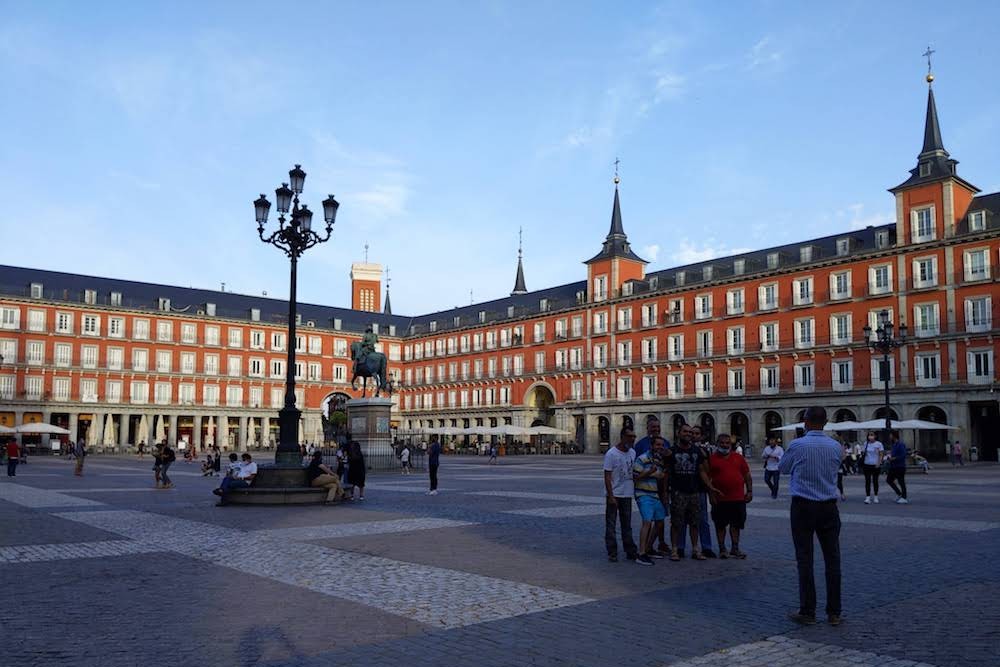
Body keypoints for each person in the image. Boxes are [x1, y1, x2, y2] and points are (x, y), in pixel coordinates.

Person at [779, 406, 842, 626]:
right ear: (825, 423)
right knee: (833, 559)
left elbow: (783, 468)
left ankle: (808, 611)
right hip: (829, 507)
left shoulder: (797, 445)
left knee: (805, 559)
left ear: (805, 421)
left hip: (803, 506)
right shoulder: (835, 446)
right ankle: (834, 612)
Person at [664, 424, 716, 561]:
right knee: (676, 522)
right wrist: (665, 492)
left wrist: (710, 487)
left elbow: (701, 471)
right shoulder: (671, 451)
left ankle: (695, 549)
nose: (688, 434)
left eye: (690, 432)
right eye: (685, 432)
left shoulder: (696, 451)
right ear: (678, 433)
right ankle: (675, 549)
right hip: (678, 492)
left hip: (694, 491)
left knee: (695, 522)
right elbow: (666, 473)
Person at [707, 433, 752, 558]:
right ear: (717, 444)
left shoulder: (738, 458)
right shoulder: (711, 459)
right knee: (720, 524)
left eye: (727, 443)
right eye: (722, 443)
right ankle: (722, 549)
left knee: (736, 524)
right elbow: (707, 478)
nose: (725, 445)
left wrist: (749, 491)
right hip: (720, 498)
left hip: (738, 497)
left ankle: (735, 548)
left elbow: (747, 475)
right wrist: (711, 494)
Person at [604, 426, 638, 563]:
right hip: (615, 493)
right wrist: (611, 496)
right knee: (611, 525)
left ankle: (630, 550)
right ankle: (612, 551)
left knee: (627, 524)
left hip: (627, 493)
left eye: (634, 437)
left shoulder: (632, 453)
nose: (632, 439)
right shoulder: (611, 454)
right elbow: (607, 476)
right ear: (622, 437)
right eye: (630, 437)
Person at [632, 435, 667, 565]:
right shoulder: (642, 459)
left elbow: (660, 476)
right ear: (651, 446)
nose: (660, 447)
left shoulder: (659, 460)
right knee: (647, 521)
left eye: (662, 445)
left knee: (660, 521)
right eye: (658, 445)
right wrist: (649, 472)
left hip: (655, 494)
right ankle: (641, 554)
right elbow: (635, 477)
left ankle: (649, 548)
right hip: (643, 494)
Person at [885, 431, 909, 504]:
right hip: (894, 466)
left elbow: (903, 455)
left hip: (900, 466)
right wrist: (889, 456)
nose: (889, 437)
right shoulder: (894, 445)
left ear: (894, 436)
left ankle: (904, 497)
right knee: (889, 480)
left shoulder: (900, 444)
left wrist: (894, 458)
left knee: (901, 481)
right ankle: (900, 494)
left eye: (890, 435)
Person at [860, 432, 884, 504]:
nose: (870, 436)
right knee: (867, 481)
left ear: (875, 436)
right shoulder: (866, 443)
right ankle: (867, 497)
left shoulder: (879, 444)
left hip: (875, 465)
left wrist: (879, 463)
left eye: (872, 435)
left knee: (875, 481)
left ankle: (876, 497)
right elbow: (863, 452)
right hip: (867, 464)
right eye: (869, 435)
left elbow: (881, 454)